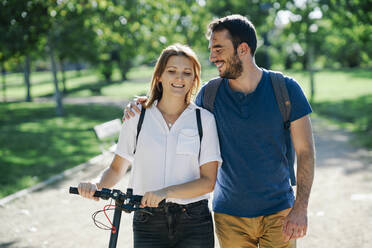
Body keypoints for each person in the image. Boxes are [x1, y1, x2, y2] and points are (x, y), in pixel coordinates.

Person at [124, 15, 315, 248]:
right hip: (229, 216)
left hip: (279, 213)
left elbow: (305, 152)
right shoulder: (210, 94)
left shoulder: (285, 89)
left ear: (243, 49)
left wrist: (300, 208)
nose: (212, 57)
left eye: (218, 49)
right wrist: (145, 104)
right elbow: (178, 107)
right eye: (211, 50)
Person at [78, 44, 222, 248]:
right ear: (159, 76)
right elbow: (117, 168)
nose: (179, 78)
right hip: (148, 222)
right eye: (172, 71)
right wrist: (96, 185)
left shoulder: (204, 120)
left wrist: (166, 192)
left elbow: (208, 181)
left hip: (195, 222)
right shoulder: (136, 116)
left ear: (194, 79)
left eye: (186, 73)